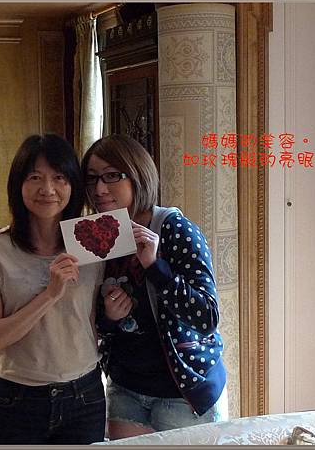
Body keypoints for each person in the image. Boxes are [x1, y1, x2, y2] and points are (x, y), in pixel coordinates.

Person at [81, 134, 228, 440]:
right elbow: (98, 322)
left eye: (112, 176)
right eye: (92, 178)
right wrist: (110, 316)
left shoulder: (174, 229)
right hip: (126, 388)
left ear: (137, 175)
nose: (99, 189)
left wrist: (155, 267)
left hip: (183, 392)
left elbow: (207, 316)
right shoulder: (99, 234)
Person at [0, 134, 106, 445]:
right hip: (17, 399)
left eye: (59, 177)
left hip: (84, 394)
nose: (48, 189)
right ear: (18, 185)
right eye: (35, 177)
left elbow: (98, 317)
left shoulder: (91, 241)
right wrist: (50, 294)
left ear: (72, 185)